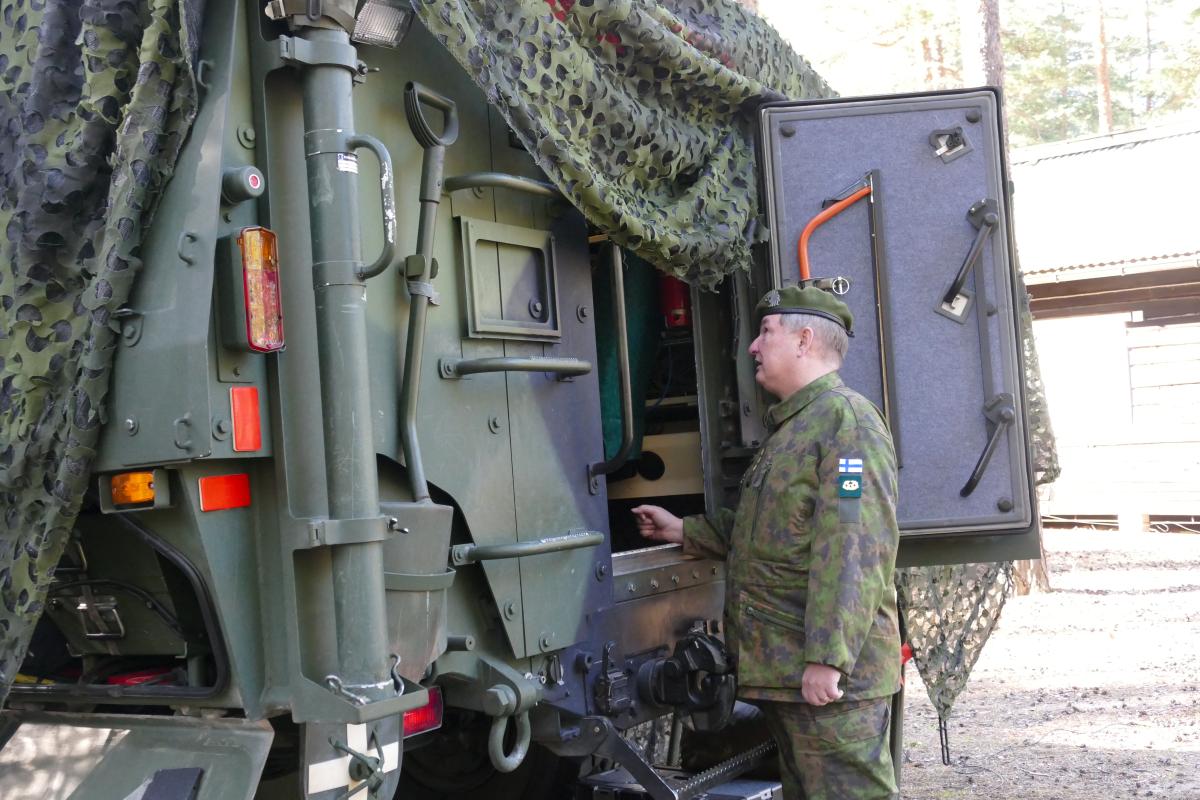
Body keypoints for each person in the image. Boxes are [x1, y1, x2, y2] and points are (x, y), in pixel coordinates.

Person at [633, 285, 901, 800]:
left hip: (828, 682)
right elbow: (769, 533)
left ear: (804, 339)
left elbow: (855, 544)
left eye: (766, 332)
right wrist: (681, 530)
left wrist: (830, 657)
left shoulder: (847, 425)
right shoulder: (795, 428)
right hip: (789, 672)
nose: (753, 346)